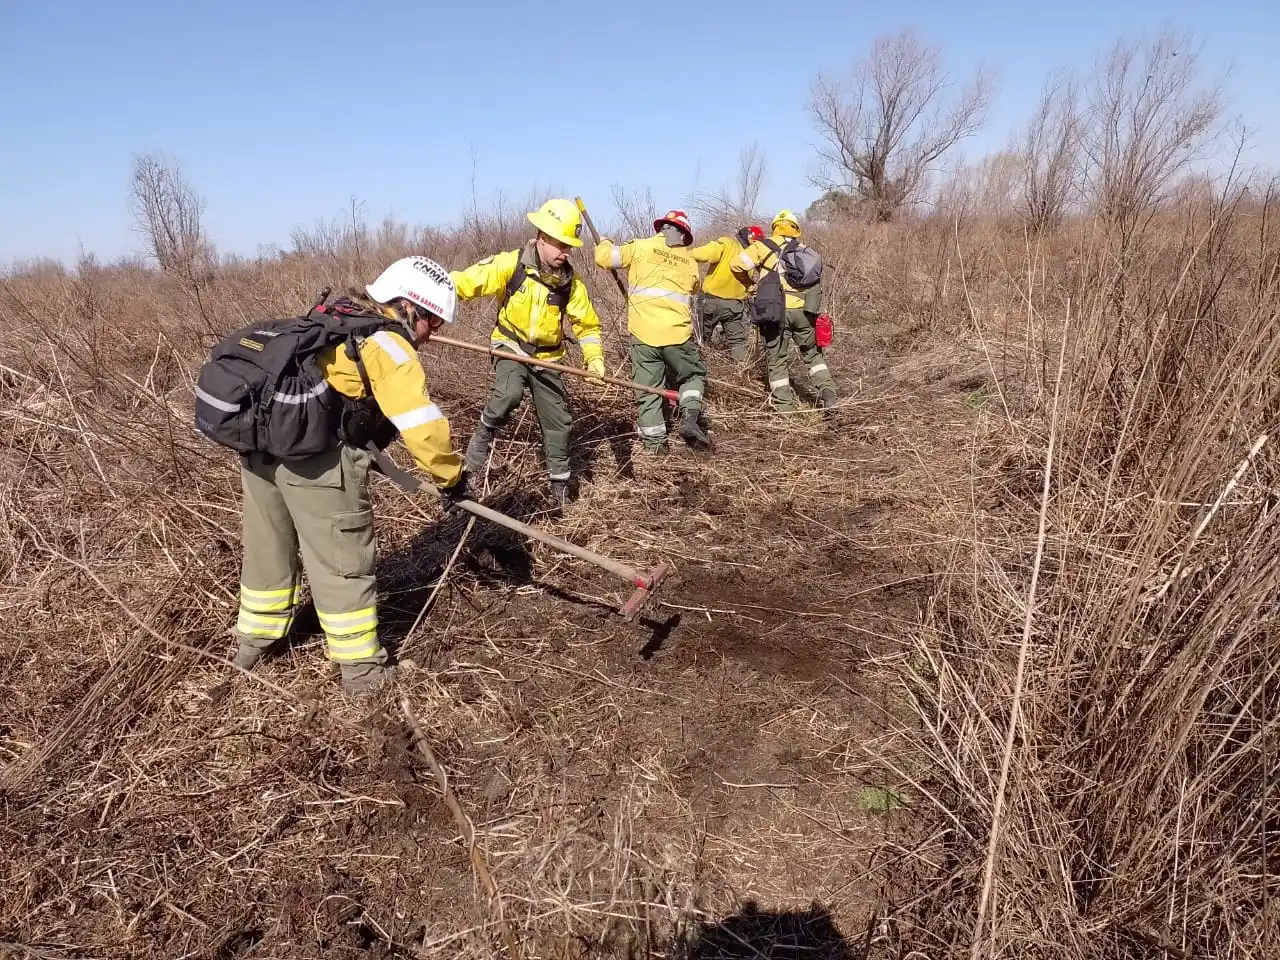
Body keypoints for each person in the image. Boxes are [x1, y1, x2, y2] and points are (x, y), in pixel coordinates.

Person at [230, 257, 466, 697]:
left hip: (260, 453)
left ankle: (252, 644)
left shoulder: (335, 317)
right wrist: (453, 479)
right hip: (315, 463)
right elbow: (424, 429)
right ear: (409, 306)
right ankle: (362, 673)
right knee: (342, 560)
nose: (432, 333)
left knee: (267, 546)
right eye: (432, 320)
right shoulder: (389, 346)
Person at [451, 198, 605, 507]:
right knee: (508, 394)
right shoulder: (510, 265)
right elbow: (463, 283)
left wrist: (595, 359)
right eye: (560, 245)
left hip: (548, 356)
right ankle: (482, 438)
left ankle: (560, 487)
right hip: (510, 345)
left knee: (558, 421)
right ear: (542, 237)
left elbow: (587, 326)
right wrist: (425, 306)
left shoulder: (570, 285)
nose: (565, 253)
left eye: (570, 247)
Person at [594, 209, 711, 453]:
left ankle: (655, 447)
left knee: (649, 391)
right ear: (682, 234)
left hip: (643, 333)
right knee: (692, 376)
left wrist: (604, 242)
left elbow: (605, 258)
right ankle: (689, 416)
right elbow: (693, 291)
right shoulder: (690, 262)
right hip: (677, 335)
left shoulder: (640, 247)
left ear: (662, 228)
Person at [734, 209, 837, 411]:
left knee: (777, 359)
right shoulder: (804, 250)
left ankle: (785, 410)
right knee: (814, 356)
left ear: (775, 228)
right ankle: (828, 392)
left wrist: (751, 285)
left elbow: (736, 265)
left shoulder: (764, 246)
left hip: (776, 313)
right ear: (795, 229)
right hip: (804, 313)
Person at [690, 224, 763, 362]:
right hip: (734, 306)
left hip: (710, 302)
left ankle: (700, 368)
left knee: (701, 338)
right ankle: (742, 370)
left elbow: (702, 254)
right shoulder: (752, 255)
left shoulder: (727, 243)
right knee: (737, 341)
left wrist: (684, 255)